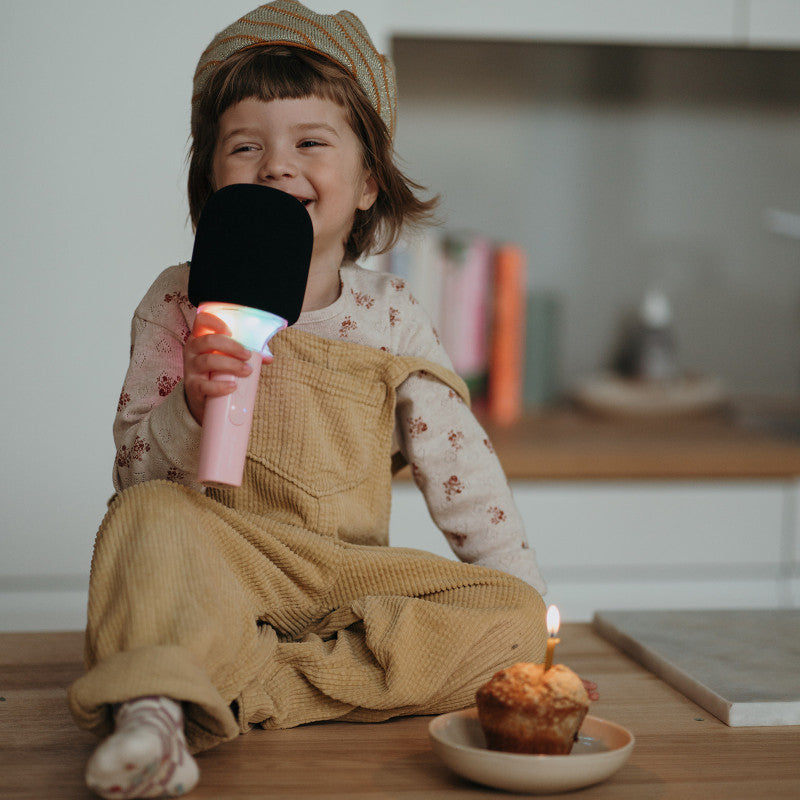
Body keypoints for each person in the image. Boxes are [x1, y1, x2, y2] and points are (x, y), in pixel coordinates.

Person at [68, 3, 552, 797]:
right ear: (211, 180)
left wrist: (530, 640)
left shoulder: (391, 316)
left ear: (366, 183)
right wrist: (189, 405)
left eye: (310, 142)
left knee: (514, 618)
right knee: (140, 523)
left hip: (346, 581)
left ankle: (240, 688)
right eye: (245, 145)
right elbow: (133, 474)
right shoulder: (176, 303)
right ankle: (156, 707)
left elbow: (468, 476)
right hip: (219, 562)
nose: (275, 164)